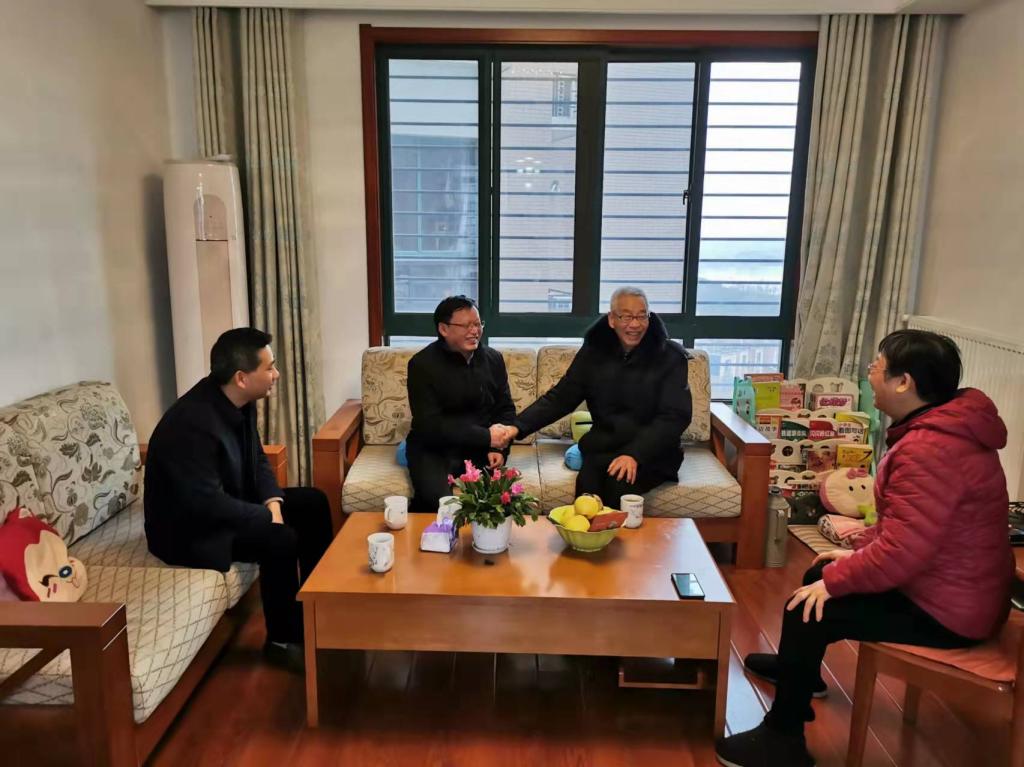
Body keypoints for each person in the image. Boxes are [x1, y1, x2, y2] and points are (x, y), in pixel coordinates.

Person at [715, 330, 1014, 767]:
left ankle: (783, 739)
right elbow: (910, 528)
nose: (870, 373)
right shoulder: (943, 429)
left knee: (809, 608)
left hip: (948, 612)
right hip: (951, 589)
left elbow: (904, 551)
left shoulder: (930, 450)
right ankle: (800, 673)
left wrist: (842, 578)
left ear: (904, 382)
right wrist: (854, 556)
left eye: (878, 365)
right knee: (817, 576)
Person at [144, 328, 333, 673]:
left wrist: (273, 503)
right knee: (280, 539)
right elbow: (204, 505)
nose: (276, 374)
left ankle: (317, 607)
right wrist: (266, 519)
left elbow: (258, 458)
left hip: (223, 504)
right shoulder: (190, 425)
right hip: (189, 531)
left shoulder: (238, 401)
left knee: (312, 502)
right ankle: (283, 640)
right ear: (242, 378)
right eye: (270, 368)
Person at [501, 286, 691, 508]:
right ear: (612, 319)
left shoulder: (670, 356)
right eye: (626, 316)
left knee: (618, 486)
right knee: (586, 494)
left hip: (653, 452)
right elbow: (561, 397)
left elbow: (674, 416)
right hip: (606, 447)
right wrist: (517, 427)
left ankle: (620, 532)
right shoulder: (594, 352)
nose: (635, 324)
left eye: (642, 316)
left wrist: (635, 454)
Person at [406, 295, 517, 513]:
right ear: (443, 329)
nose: (474, 331)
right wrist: (486, 437)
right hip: (434, 448)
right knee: (437, 503)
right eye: (466, 325)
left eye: (477, 324)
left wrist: (498, 448)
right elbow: (429, 425)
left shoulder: (493, 359)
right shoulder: (421, 364)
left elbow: (505, 409)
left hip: (479, 448)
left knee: (496, 503)